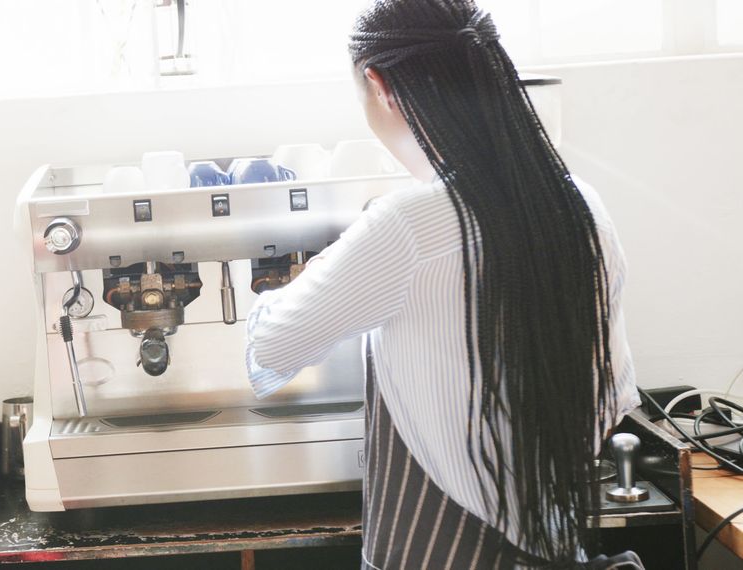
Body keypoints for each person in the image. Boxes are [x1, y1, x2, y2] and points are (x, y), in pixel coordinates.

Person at [244, 0, 643, 568]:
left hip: (436, 548)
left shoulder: (408, 221)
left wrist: (311, 273)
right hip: (554, 541)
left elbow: (271, 347)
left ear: (379, 86)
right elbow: (615, 393)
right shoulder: (582, 204)